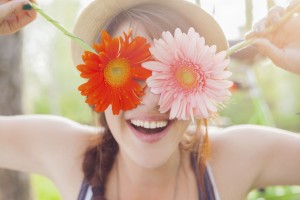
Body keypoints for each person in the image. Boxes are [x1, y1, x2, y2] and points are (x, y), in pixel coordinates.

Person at [0, 0, 300, 200]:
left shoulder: (238, 157)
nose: (152, 100)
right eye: (130, 73)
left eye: (173, 73)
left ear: (202, 82)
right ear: (99, 81)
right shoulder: (67, 153)